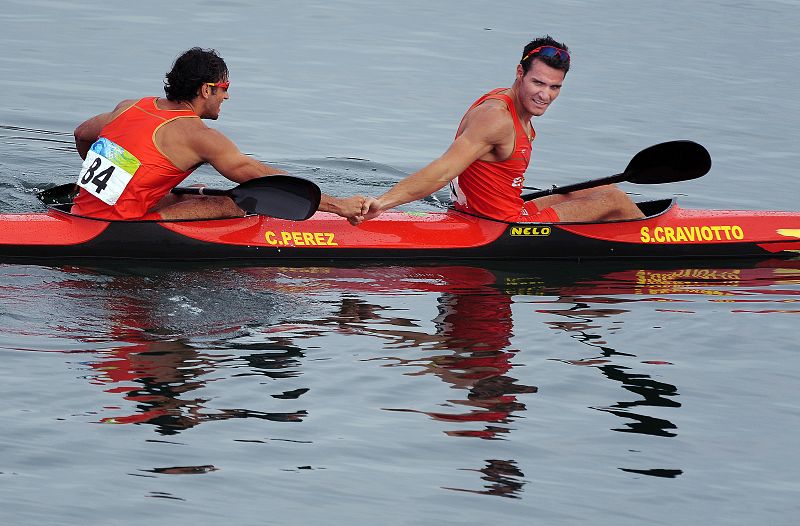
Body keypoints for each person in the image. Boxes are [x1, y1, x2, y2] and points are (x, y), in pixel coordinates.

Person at [353, 36, 644, 224]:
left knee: (601, 189)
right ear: (520, 73)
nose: (546, 95)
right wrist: (384, 203)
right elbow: (443, 171)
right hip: (504, 227)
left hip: (497, 212)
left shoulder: (505, 100)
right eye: (538, 83)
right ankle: (658, 248)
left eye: (555, 87)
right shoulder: (497, 119)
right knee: (613, 200)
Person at [71, 47, 365, 221]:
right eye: (225, 88)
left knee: (192, 189)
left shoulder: (131, 106)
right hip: (119, 227)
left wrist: (117, 184)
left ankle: (135, 209)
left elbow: (83, 134)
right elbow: (262, 177)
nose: (226, 97)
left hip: (82, 209)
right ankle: (143, 221)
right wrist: (339, 206)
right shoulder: (200, 137)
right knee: (236, 202)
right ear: (205, 89)